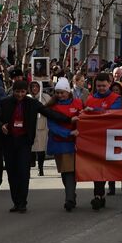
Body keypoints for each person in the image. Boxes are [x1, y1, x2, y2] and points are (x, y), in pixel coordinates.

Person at [0, 79, 73, 213]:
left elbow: (48, 112)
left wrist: (68, 119)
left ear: (26, 92)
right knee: (12, 173)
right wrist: (1, 125)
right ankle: (16, 202)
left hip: (24, 142)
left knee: (23, 172)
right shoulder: (5, 102)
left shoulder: (31, 103)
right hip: (9, 142)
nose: (20, 94)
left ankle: (22, 202)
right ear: (13, 91)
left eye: (22, 92)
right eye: (17, 92)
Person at [80, 72, 122, 211]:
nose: (101, 88)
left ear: (109, 84)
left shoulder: (116, 98)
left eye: (104, 86)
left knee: (107, 167)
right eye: (98, 86)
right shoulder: (90, 98)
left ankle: (105, 192)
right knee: (96, 167)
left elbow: (114, 114)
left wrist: (95, 110)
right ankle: (98, 195)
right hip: (94, 139)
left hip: (112, 138)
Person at [45, 77, 85, 211]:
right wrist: (68, 133)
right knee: (66, 171)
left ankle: (70, 198)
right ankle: (70, 195)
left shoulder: (78, 103)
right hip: (60, 142)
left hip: (76, 142)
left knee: (69, 171)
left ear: (68, 92)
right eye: (58, 93)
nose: (60, 95)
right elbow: (52, 126)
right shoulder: (52, 107)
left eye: (62, 92)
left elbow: (85, 118)